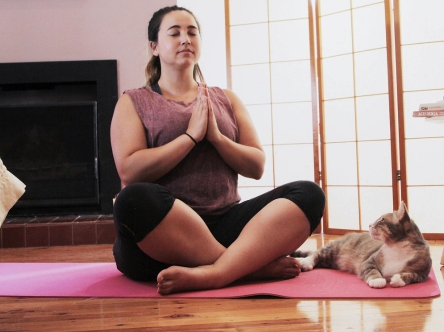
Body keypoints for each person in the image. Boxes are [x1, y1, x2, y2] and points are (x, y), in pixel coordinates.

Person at [110, 5, 325, 295]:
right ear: (155, 47)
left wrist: (217, 138)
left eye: (192, 32)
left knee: (308, 194)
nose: (185, 39)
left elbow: (256, 166)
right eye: (174, 33)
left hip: (227, 224)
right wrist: (190, 137)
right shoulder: (134, 101)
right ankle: (246, 267)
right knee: (132, 199)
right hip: (162, 235)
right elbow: (130, 170)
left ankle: (216, 272)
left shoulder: (226, 99)